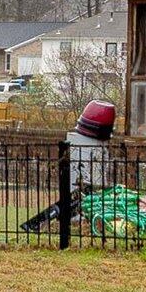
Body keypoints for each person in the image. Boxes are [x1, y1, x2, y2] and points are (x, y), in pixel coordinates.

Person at [22, 100, 116, 233]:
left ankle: (38, 225)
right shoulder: (92, 148)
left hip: (83, 191)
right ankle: (40, 225)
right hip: (82, 191)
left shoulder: (89, 147)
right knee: (75, 199)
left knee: (75, 199)